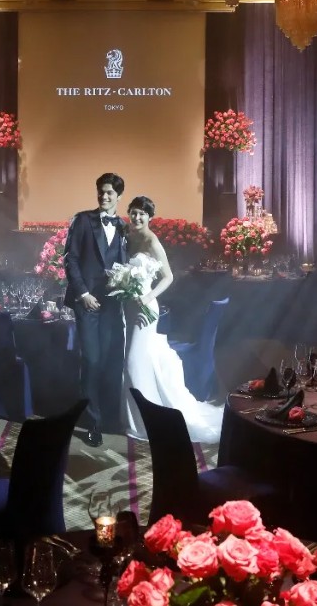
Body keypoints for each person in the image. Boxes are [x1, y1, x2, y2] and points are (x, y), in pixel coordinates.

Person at [122, 196, 223, 444]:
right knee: (136, 361)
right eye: (134, 212)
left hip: (145, 307)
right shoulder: (127, 237)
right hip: (127, 306)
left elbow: (168, 277)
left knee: (134, 362)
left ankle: (146, 421)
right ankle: (134, 418)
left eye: (142, 214)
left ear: (150, 217)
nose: (137, 217)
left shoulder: (152, 241)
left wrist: (148, 296)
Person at [64, 172, 127, 447]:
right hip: (87, 303)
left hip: (112, 307)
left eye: (110, 192)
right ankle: (92, 424)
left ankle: (109, 418)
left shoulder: (124, 226)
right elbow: (71, 259)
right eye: (101, 191)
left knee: (110, 363)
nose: (104, 196)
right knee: (91, 360)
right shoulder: (82, 220)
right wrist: (83, 294)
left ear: (119, 196)